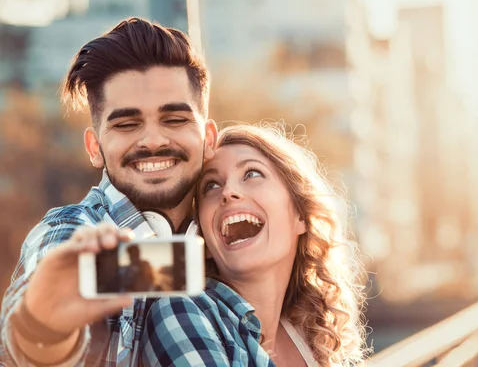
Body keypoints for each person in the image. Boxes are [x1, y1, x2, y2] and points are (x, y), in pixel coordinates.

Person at [0, 17, 217, 366]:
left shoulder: (222, 247)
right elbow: (35, 336)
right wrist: (44, 328)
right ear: (95, 147)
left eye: (174, 119)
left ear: (210, 139)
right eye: (126, 125)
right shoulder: (69, 231)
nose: (154, 140)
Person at [142, 124, 368, 366]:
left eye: (251, 174)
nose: (228, 191)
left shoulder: (313, 339)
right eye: (211, 185)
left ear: (301, 216)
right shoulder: (180, 312)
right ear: (205, 241)